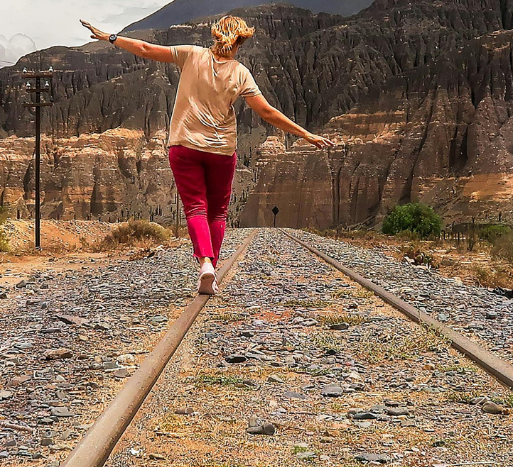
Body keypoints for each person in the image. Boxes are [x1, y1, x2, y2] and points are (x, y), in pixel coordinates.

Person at [80, 15, 334, 294]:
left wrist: (111, 37)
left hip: (184, 147)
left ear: (215, 35)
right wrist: (305, 134)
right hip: (221, 151)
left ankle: (204, 264)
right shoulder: (241, 73)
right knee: (218, 213)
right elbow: (267, 112)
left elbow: (145, 49)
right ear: (240, 41)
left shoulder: (190, 55)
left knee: (195, 208)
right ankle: (212, 264)